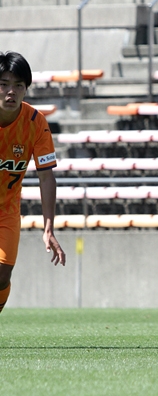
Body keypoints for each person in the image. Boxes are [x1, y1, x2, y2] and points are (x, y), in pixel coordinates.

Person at [0, 51, 65, 315]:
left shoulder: (36, 124)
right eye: (3, 84)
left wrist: (48, 227)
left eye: (18, 85)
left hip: (7, 210)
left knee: (3, 273)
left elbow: (46, 175)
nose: (10, 92)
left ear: (26, 90)